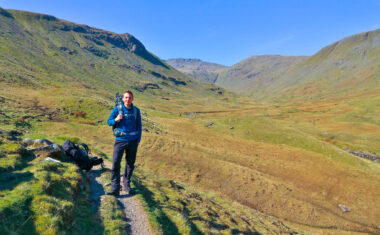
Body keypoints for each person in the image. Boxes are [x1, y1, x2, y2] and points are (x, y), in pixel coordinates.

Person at [106, 90, 142, 196]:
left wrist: (138, 139)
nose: (128, 99)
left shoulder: (136, 110)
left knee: (130, 164)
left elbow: (139, 126)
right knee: (116, 163)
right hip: (120, 141)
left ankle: (127, 185)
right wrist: (116, 119)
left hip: (133, 142)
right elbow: (109, 122)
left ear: (133, 99)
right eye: (126, 97)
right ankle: (115, 188)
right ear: (122, 99)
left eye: (130, 97)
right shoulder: (117, 109)